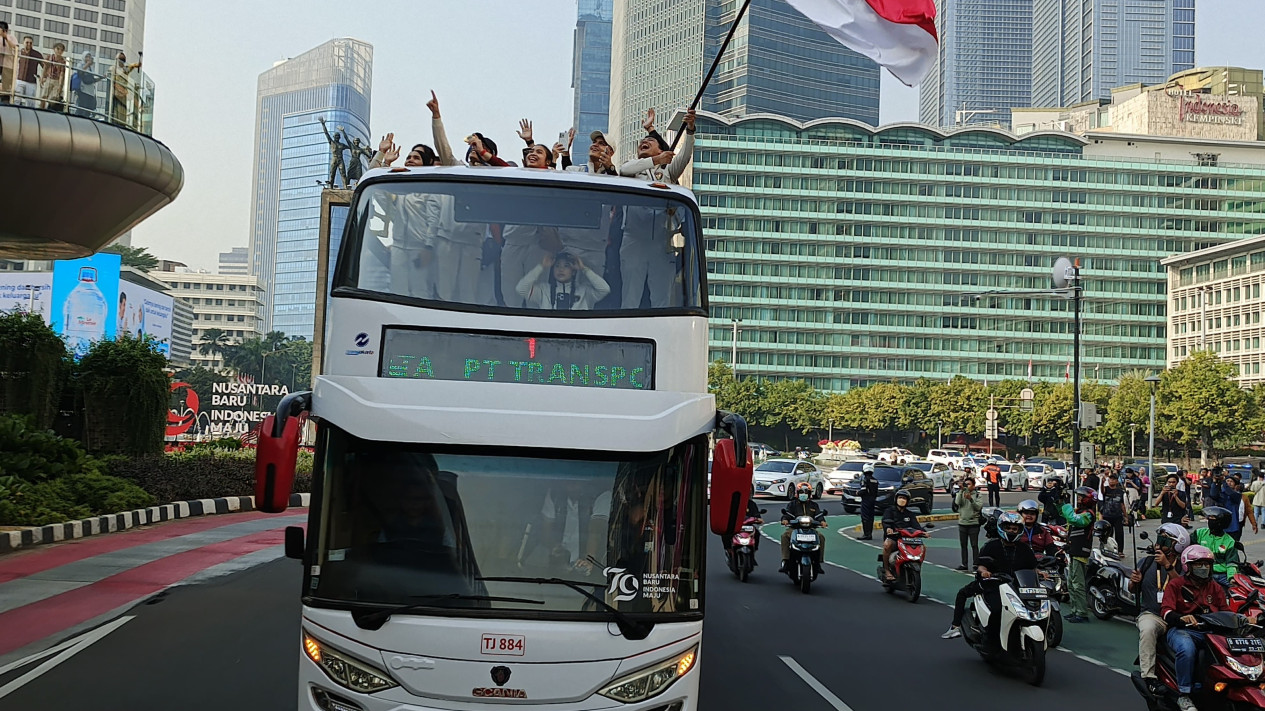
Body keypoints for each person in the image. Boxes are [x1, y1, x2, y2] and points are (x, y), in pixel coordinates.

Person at [617, 108, 695, 309]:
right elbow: (624, 170)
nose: (644, 143)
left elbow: (684, 156)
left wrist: (690, 130)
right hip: (634, 239)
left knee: (661, 296)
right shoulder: (633, 168)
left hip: (662, 241)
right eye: (642, 142)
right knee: (630, 294)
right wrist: (654, 160)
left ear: (661, 150)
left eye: (650, 142)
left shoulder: (667, 171)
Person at [942, 511, 1038, 644]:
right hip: (993, 585)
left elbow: (1033, 567)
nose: (1011, 531)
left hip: (1017, 587)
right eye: (1008, 528)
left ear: (1019, 530)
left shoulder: (1025, 549)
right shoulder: (992, 546)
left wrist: (1041, 573)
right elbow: (980, 565)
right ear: (1001, 528)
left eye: (1014, 529)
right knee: (972, 598)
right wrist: (984, 572)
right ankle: (956, 627)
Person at [1162, 545, 1230, 711]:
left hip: (1209, 632)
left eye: (1207, 564)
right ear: (1188, 566)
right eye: (1199, 564)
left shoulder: (1215, 587)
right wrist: (1181, 618)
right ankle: (1184, 694)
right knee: (1187, 649)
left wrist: (1242, 619)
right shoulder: (1176, 585)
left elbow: (1226, 612)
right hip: (1182, 631)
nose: (1204, 568)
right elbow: (1166, 611)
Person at [1129, 523, 1188, 697]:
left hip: (1176, 617)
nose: (1158, 544)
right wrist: (1135, 581)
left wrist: (1168, 566)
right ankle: (1149, 677)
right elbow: (1132, 589)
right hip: (1152, 614)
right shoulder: (1147, 562)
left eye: (1164, 540)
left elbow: (1185, 590)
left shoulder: (1182, 567)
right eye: (1158, 539)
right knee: (1147, 629)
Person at [517, 251, 610, 311]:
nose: (561, 269)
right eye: (557, 266)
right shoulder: (543, 290)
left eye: (566, 266)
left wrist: (584, 269)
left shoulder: (584, 291)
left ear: (573, 271)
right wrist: (541, 266)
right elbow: (521, 289)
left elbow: (604, 289)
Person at [1062, 486, 1098, 623]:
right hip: (1074, 551)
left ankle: (1082, 613)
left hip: (1080, 553)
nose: (1078, 499)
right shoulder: (1082, 511)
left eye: (1080, 497)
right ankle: (1075, 610)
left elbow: (1074, 519)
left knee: (1078, 584)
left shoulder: (1088, 514)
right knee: (1071, 583)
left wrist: (1066, 505)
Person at [779, 482, 827, 575]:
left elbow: (819, 515)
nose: (803, 494)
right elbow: (786, 514)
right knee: (785, 536)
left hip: (811, 530)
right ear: (797, 493)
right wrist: (785, 520)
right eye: (801, 492)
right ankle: (786, 561)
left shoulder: (814, 505)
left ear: (809, 494)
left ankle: (818, 563)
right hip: (794, 529)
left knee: (821, 537)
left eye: (806, 492)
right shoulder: (792, 504)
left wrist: (822, 521)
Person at [880, 489, 924, 582]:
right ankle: (887, 570)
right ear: (896, 499)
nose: (902, 500)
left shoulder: (910, 514)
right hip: (894, 538)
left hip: (907, 540)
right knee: (887, 545)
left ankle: (916, 568)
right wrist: (888, 528)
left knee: (922, 547)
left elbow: (916, 526)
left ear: (907, 501)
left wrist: (923, 532)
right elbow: (886, 522)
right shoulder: (889, 511)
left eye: (904, 498)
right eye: (900, 497)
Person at [1193, 506, 1239, 586]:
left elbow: (1231, 563)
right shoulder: (1199, 533)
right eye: (1209, 518)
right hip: (1202, 573)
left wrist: (1231, 578)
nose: (1210, 520)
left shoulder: (1229, 541)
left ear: (1221, 522)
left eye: (1213, 518)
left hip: (1222, 575)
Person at [955, 476, 983, 571]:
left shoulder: (978, 495)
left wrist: (971, 499)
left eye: (969, 484)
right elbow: (957, 502)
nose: (967, 486)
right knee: (963, 545)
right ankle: (964, 564)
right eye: (965, 484)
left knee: (974, 545)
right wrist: (961, 491)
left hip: (973, 523)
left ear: (974, 486)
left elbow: (978, 507)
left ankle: (976, 564)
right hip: (962, 523)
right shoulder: (962, 493)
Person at [1100, 473, 1128, 553]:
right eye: (1110, 479)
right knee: (1108, 535)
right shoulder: (1106, 489)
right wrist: (1102, 482)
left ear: (1116, 481)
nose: (1111, 481)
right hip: (1107, 515)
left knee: (1119, 534)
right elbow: (1102, 491)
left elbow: (1122, 504)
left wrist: (1125, 516)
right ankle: (1108, 550)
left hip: (1117, 515)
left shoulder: (1120, 491)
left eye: (1113, 479)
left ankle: (1120, 551)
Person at [13, 36, 41, 107]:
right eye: (27, 42)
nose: (28, 44)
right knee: (16, 99)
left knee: (30, 103)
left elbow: (44, 65)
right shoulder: (19, 52)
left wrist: (42, 76)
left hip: (31, 82)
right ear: (23, 43)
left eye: (30, 43)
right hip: (20, 80)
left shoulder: (36, 54)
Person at [37, 42, 66, 110]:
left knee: (53, 99)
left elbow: (62, 74)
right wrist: (42, 78)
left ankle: (49, 110)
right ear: (54, 49)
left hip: (57, 80)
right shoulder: (49, 57)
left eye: (61, 50)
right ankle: (41, 110)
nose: (59, 51)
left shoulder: (63, 61)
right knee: (44, 96)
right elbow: (45, 68)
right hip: (49, 78)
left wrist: (60, 85)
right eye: (58, 49)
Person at [71, 52, 99, 118]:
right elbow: (80, 72)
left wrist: (101, 78)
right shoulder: (80, 64)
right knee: (82, 107)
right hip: (83, 90)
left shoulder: (91, 68)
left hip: (90, 91)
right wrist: (87, 64)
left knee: (89, 108)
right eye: (87, 57)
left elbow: (92, 80)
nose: (88, 58)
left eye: (89, 57)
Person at [856, 462, 878, 540]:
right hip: (873, 500)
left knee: (865, 517)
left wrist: (858, 493)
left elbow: (863, 490)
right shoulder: (875, 480)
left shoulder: (865, 479)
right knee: (871, 517)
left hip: (866, 500)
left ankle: (866, 534)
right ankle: (869, 533)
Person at [0, 22, 16, 104]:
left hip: (8, 67)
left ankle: (5, 103)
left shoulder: (11, 38)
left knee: (6, 89)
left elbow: (15, 49)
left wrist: (5, 37)